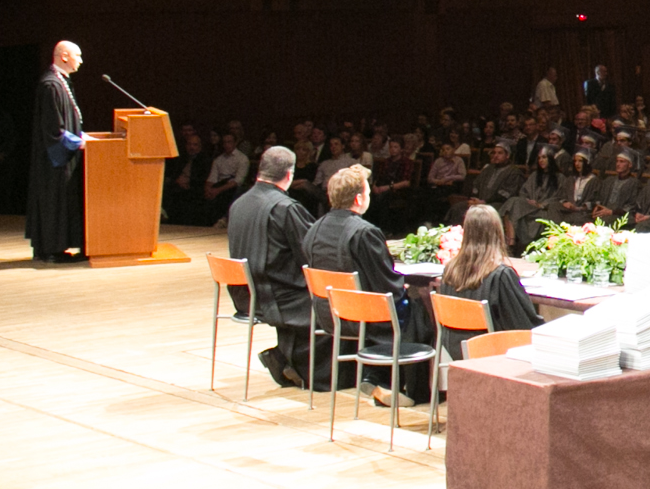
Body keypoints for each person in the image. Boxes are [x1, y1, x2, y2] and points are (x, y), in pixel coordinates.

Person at [299, 165, 426, 400]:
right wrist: (407, 288)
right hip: (362, 316)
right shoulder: (364, 232)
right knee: (418, 304)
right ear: (359, 199)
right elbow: (386, 283)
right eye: (367, 192)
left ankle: (374, 376)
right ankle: (395, 382)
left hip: (328, 314)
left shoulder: (314, 229)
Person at [224, 145, 316, 386]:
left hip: (245, 294)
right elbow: (311, 254)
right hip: (275, 296)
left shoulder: (238, 203)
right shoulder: (285, 208)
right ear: (289, 175)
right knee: (335, 301)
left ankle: (286, 359)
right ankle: (298, 366)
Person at [432, 203, 542, 361]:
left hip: (456, 353)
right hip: (492, 355)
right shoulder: (500, 275)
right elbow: (523, 325)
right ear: (498, 232)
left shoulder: (449, 271)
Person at [27, 39, 88, 262]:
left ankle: (54, 248)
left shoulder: (62, 82)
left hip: (64, 156)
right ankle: (53, 250)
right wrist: (78, 143)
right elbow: (53, 129)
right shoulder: (51, 85)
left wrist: (82, 136)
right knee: (54, 201)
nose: (81, 60)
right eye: (77, 56)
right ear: (64, 57)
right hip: (54, 160)